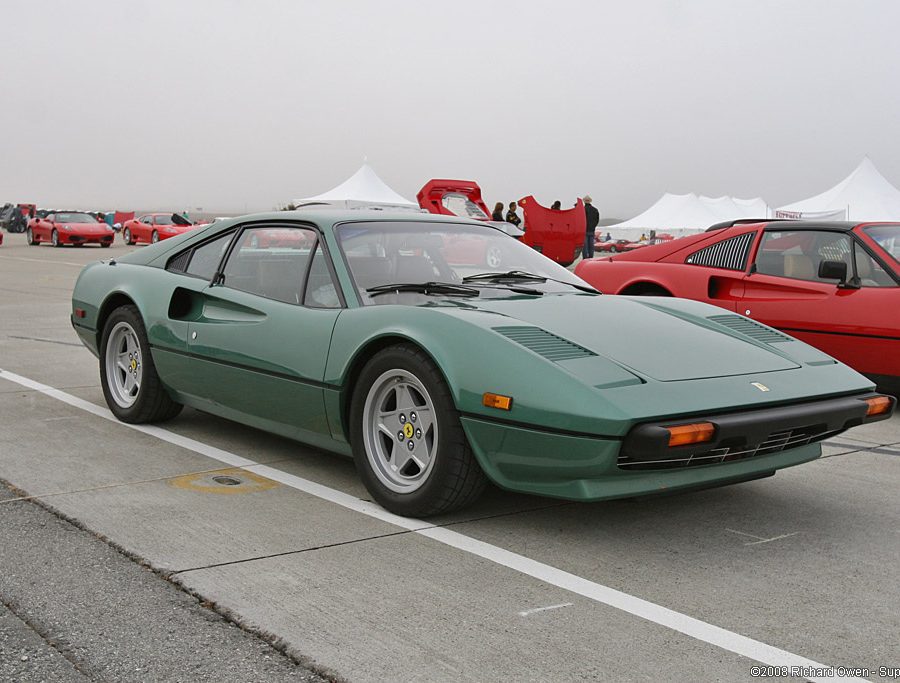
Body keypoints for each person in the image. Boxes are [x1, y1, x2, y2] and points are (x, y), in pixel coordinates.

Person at [583, 195, 599, 259]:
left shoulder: (583, 209)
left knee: (585, 246)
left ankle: (585, 258)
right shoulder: (595, 210)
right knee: (591, 246)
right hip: (592, 230)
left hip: (585, 230)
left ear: (584, 202)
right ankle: (591, 258)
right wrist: (593, 226)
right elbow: (597, 220)